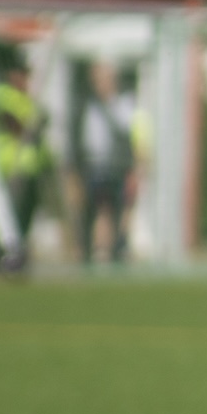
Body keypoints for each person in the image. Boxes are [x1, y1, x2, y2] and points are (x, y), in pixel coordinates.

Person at [0, 66, 47, 271]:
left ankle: (18, 256)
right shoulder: (1, 94)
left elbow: (42, 122)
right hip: (8, 165)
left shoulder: (28, 98)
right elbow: (13, 123)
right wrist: (31, 124)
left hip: (29, 167)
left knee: (25, 216)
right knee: (7, 215)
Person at [75, 62, 137, 265]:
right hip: (95, 166)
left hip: (116, 166)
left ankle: (116, 249)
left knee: (118, 209)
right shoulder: (88, 106)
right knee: (96, 209)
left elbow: (127, 133)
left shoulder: (123, 104)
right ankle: (95, 251)